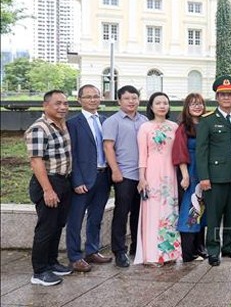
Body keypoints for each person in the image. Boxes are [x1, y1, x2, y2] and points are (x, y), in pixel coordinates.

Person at [196, 77, 231, 266]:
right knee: (214, 216)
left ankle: (230, 247)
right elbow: (202, 152)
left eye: (230, 94)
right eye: (223, 94)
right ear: (217, 97)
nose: (227, 98)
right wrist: (204, 177)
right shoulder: (208, 121)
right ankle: (213, 250)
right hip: (215, 177)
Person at [25, 90, 73, 286]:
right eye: (58, 103)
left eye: (65, 103)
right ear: (45, 106)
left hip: (64, 181)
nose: (63, 107)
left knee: (57, 225)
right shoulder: (39, 128)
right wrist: (47, 190)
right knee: (45, 228)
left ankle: (52, 262)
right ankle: (39, 271)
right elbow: (36, 162)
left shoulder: (62, 125)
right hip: (48, 182)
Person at [65, 85, 112, 274]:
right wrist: (76, 181)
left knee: (96, 217)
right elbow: (72, 154)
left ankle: (92, 250)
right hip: (83, 179)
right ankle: (75, 256)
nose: (93, 100)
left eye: (96, 96)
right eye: (88, 97)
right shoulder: (73, 123)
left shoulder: (104, 120)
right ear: (79, 100)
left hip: (103, 177)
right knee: (75, 219)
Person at [102, 85, 148, 268]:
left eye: (134, 98)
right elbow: (108, 147)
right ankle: (119, 250)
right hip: (124, 175)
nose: (131, 101)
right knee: (121, 213)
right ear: (119, 101)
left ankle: (136, 247)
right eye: (127, 98)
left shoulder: (144, 120)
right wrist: (115, 170)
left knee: (139, 213)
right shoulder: (113, 121)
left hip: (142, 176)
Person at [134, 92, 180, 265]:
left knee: (170, 211)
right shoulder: (145, 127)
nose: (162, 106)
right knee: (152, 212)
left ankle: (169, 253)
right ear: (151, 107)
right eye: (158, 103)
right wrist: (142, 178)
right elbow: (142, 155)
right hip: (151, 173)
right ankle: (152, 254)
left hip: (170, 172)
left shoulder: (174, 126)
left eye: (165, 103)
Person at [172, 93, 209, 263]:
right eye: (193, 104)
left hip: (206, 173)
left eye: (200, 103)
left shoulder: (207, 123)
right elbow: (180, 152)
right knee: (190, 210)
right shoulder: (183, 128)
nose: (197, 107)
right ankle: (188, 252)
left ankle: (200, 248)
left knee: (202, 211)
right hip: (191, 172)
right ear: (187, 107)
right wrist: (185, 175)